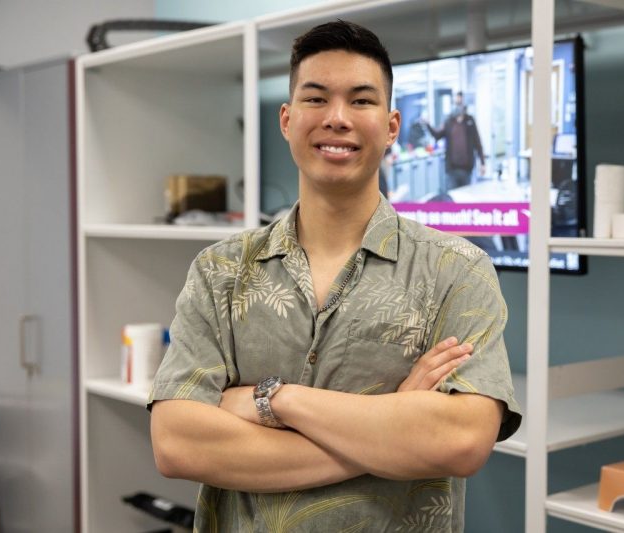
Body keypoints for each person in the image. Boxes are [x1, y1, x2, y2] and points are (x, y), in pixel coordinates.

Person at [149, 20, 521, 532]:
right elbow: (176, 443)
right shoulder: (221, 271)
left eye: (361, 101)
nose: (338, 118)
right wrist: (393, 425)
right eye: (316, 99)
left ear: (391, 126)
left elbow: (459, 442)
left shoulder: (455, 271)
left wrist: (271, 399)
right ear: (286, 119)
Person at [423, 91, 487, 193]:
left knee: (466, 198)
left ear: (464, 105)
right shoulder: (449, 121)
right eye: (456, 103)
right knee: (452, 199)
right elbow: (437, 135)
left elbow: (477, 142)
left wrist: (483, 163)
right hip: (452, 170)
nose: (458, 106)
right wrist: (427, 124)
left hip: (467, 170)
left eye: (460, 103)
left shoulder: (470, 121)